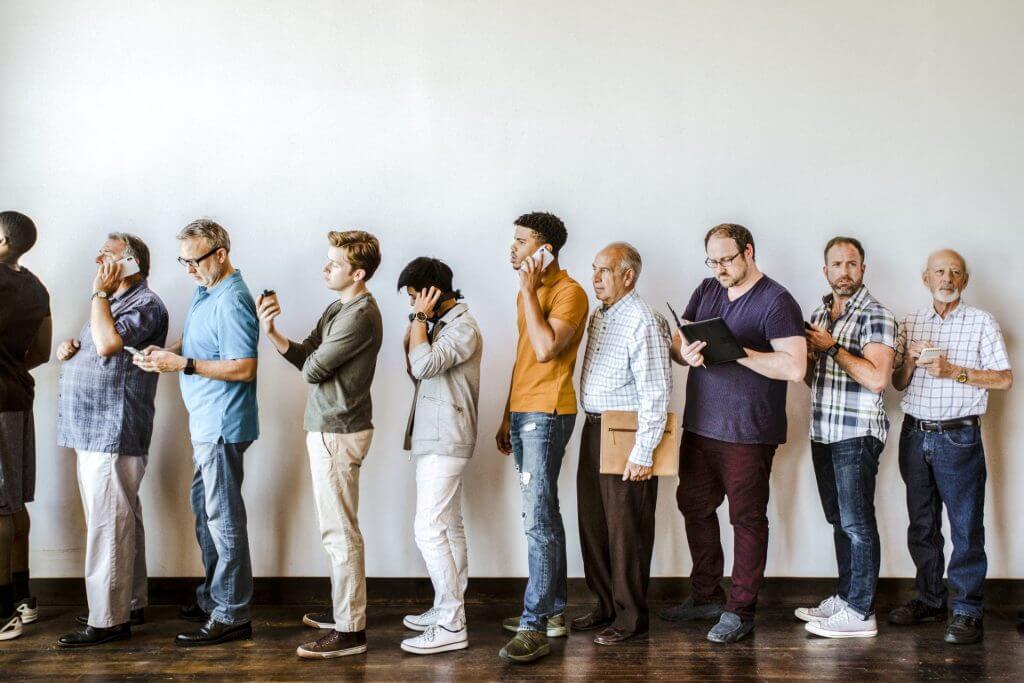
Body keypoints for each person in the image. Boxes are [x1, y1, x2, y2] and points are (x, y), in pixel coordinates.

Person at [660, 223, 805, 644]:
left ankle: (741, 610)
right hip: (701, 424)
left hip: (749, 431)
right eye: (713, 260)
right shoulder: (706, 289)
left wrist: (739, 352)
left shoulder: (776, 300)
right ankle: (706, 595)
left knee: (746, 518)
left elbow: (794, 367)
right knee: (694, 505)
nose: (720, 268)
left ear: (749, 252)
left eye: (727, 259)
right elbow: (678, 341)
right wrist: (682, 352)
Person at [258, 230, 384, 659]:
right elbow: (307, 353)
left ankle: (351, 631)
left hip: (338, 431)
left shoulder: (359, 315)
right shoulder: (339, 306)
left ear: (358, 273)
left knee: (340, 532)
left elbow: (312, 370)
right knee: (336, 529)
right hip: (329, 428)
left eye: (334, 264)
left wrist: (307, 357)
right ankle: (344, 613)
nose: (325, 268)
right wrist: (272, 330)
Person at [135, 218, 259, 646]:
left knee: (224, 519)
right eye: (182, 261)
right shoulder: (205, 290)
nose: (187, 269)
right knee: (206, 512)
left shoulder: (233, 299)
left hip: (223, 424)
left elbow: (243, 367)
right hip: (205, 423)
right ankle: (214, 597)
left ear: (220, 255)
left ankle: (232, 612)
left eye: (194, 260)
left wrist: (182, 365)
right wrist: (164, 354)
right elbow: (194, 344)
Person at [888, 249, 1012, 644]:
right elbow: (898, 383)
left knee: (965, 527)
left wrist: (953, 371)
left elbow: (1004, 379)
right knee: (921, 524)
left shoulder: (981, 322)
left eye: (955, 273)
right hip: (914, 434)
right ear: (926, 278)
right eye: (940, 271)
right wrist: (908, 362)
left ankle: (967, 610)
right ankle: (929, 599)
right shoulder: (911, 320)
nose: (947, 278)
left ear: (964, 281)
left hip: (959, 435)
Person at [55, 233, 168, 647]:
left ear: (131, 262)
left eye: (108, 253)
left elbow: (107, 344)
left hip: (112, 430)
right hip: (94, 429)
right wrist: (72, 349)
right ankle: (130, 602)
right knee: (121, 519)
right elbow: (99, 345)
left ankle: (108, 618)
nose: (97, 257)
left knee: (108, 525)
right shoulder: (113, 302)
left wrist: (97, 295)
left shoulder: (145, 304)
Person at [496, 212, 589, 663]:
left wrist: (529, 292)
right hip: (524, 410)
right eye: (511, 240)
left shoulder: (570, 292)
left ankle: (535, 625)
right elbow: (522, 356)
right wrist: (506, 412)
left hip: (549, 413)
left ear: (545, 247)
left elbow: (547, 347)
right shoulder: (529, 292)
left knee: (537, 519)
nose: (512, 248)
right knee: (545, 513)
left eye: (521, 240)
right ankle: (552, 612)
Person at [797, 236, 895, 639]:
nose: (844, 271)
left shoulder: (876, 315)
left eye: (852, 264)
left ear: (863, 269)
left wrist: (832, 347)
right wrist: (813, 355)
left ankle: (861, 611)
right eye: (836, 264)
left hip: (856, 433)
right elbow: (810, 380)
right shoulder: (820, 313)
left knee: (857, 523)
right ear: (825, 271)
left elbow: (877, 378)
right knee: (839, 521)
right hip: (823, 431)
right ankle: (846, 596)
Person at [574, 242, 671, 645]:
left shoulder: (643, 320)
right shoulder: (601, 315)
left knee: (626, 530)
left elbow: (657, 391)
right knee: (593, 524)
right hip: (594, 428)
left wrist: (643, 452)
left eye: (605, 271)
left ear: (628, 276)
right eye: (594, 269)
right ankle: (605, 604)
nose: (595, 278)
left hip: (628, 433)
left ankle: (631, 617)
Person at [395, 257, 482, 656]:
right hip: (435, 437)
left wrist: (418, 318)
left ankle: (451, 622)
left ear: (433, 292)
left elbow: (424, 363)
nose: (412, 304)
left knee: (427, 529)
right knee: (448, 524)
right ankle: (450, 607)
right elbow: (415, 370)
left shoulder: (463, 327)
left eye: (415, 295)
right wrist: (420, 322)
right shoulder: (439, 326)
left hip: (447, 437)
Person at [0, 211, 51, 641]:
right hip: (19, 397)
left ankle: (2, 613)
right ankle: (22, 596)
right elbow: (44, 351)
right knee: (14, 501)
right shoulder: (37, 288)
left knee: (0, 505)